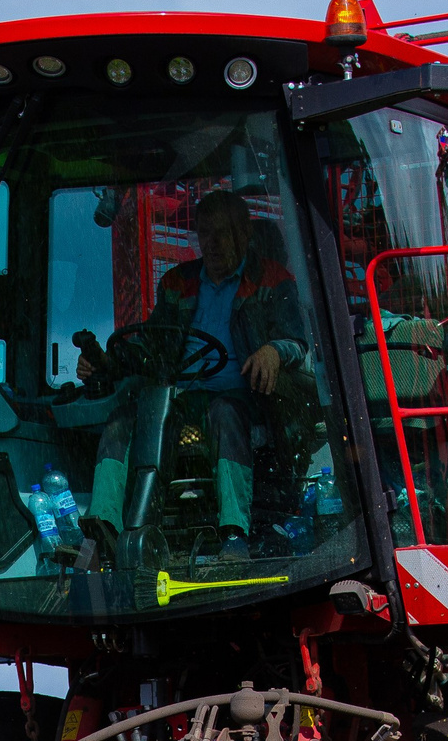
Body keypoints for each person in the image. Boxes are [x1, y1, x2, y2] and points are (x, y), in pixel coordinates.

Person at [78, 188, 308, 560]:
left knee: (225, 413)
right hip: (182, 397)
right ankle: (103, 528)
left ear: (243, 234)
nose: (211, 243)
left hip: (244, 396)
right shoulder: (177, 283)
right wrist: (107, 362)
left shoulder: (272, 279)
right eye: (204, 233)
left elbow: (297, 342)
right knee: (122, 419)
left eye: (221, 233)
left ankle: (234, 533)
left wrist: (273, 351)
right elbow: (153, 345)